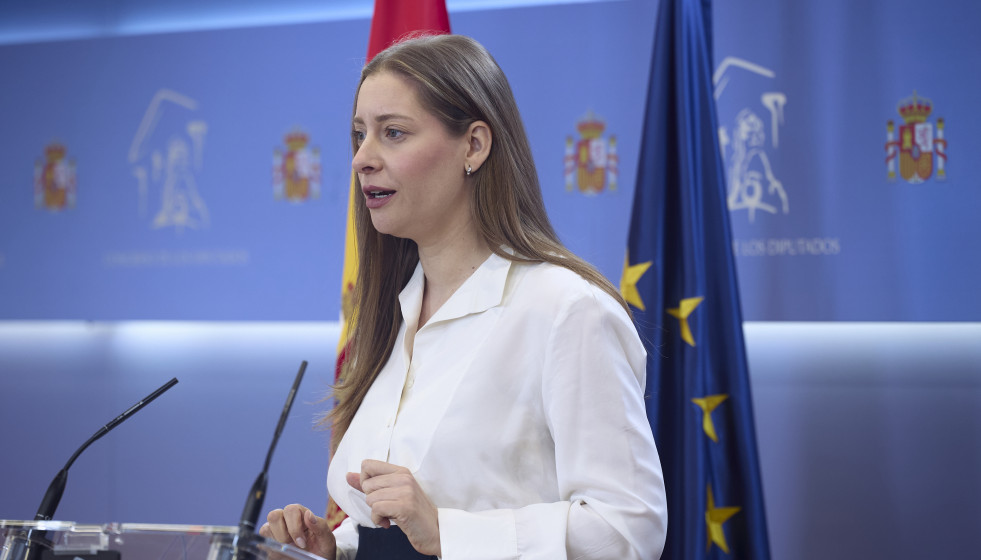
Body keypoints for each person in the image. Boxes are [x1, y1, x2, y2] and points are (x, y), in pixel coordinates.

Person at [259, 34, 666, 560]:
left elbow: (631, 530)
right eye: (359, 135)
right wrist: (335, 548)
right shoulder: (392, 313)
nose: (362, 158)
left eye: (394, 133)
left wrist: (446, 531)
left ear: (473, 146)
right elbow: (405, 525)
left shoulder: (567, 309)